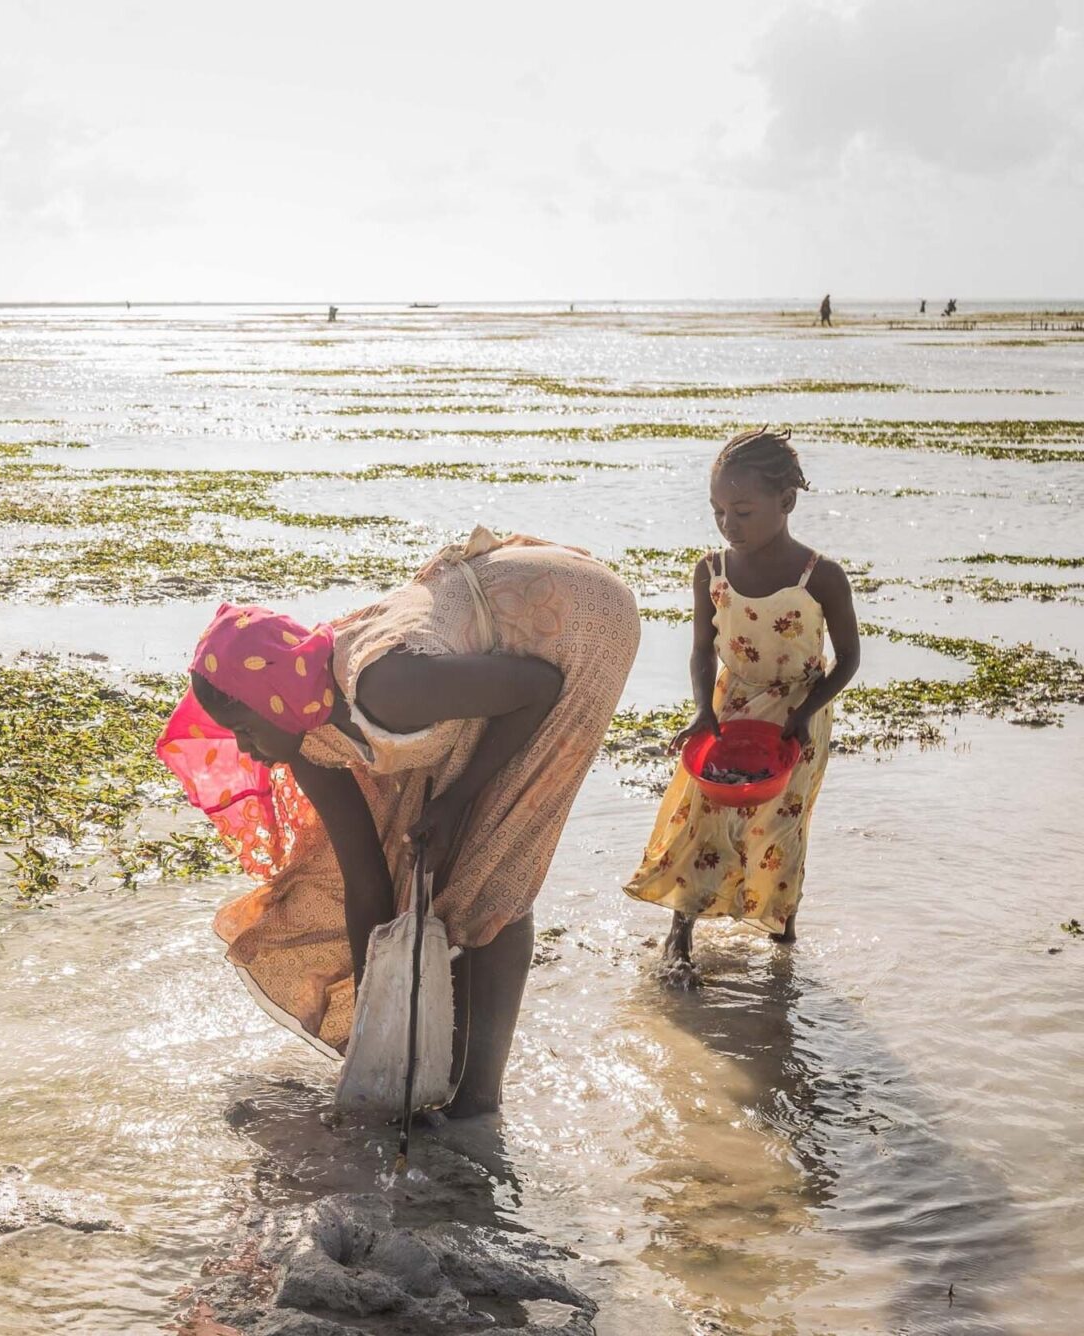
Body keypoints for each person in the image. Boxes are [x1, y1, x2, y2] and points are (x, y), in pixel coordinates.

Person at [156, 531, 640, 1116]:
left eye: (246, 729)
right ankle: (450, 1072)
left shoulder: (388, 687)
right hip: (490, 649)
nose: (247, 751)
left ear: (277, 699)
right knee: (424, 869)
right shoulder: (308, 738)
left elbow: (538, 687)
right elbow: (366, 881)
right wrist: (375, 1025)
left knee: (493, 861)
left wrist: (459, 799)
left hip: (573, 619)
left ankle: (480, 1098)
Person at [624, 426, 861, 983]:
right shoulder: (711, 570)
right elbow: (701, 652)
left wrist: (803, 715)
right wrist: (703, 713)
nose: (729, 525)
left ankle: (783, 937)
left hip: (798, 712)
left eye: (743, 511)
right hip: (730, 703)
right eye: (718, 512)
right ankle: (680, 935)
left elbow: (847, 659)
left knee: (779, 823)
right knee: (702, 816)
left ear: (786, 503)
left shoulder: (820, 576)